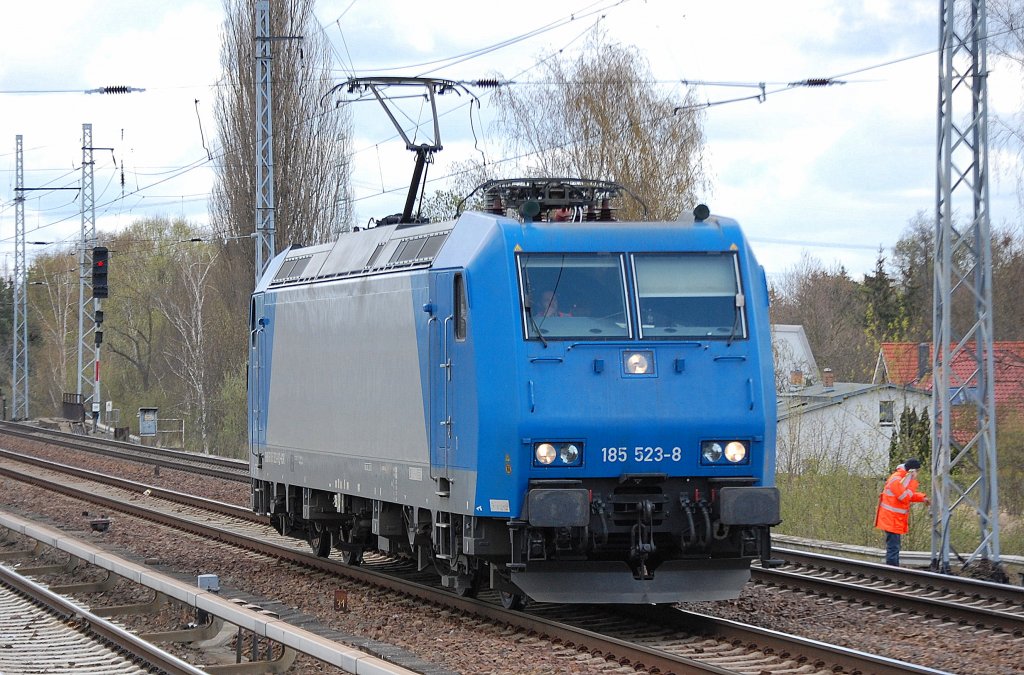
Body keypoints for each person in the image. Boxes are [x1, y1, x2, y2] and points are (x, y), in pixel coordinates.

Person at [874, 458, 931, 567]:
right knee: (893, 548)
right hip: (891, 519)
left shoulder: (901, 478)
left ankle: (893, 570)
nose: (918, 474)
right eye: (917, 472)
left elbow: (906, 494)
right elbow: (904, 497)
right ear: (912, 471)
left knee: (894, 547)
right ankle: (892, 571)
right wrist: (913, 481)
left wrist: (922, 498)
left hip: (893, 519)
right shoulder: (897, 479)